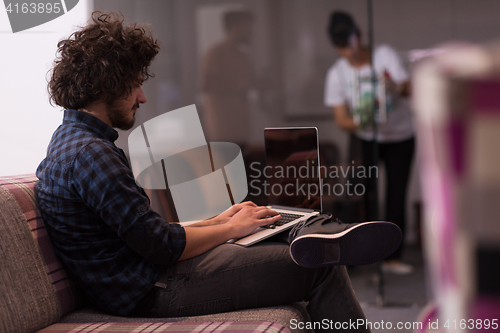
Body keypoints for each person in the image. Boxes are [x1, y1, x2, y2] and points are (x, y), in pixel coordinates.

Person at [35, 12, 401, 332]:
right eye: (135, 85)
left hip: (148, 278)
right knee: (318, 265)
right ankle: (320, 233)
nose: (142, 97)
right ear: (106, 86)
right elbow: (161, 246)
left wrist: (220, 220)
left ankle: (312, 229)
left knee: (266, 230)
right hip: (151, 290)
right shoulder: (90, 155)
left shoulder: (74, 142)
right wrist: (229, 228)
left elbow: (148, 232)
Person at [324, 11, 415, 275]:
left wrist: (394, 88)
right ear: (336, 47)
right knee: (360, 193)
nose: (349, 51)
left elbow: (408, 87)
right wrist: (364, 120)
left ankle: (392, 257)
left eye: (350, 43)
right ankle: (356, 255)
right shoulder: (337, 74)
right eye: (342, 47)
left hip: (400, 136)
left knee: (396, 195)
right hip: (366, 139)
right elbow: (342, 119)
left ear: (360, 37)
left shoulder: (383, 54)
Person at [201, 11, 255, 144]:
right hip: (223, 133)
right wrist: (236, 87)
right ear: (234, 27)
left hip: (241, 131)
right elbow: (207, 84)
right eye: (246, 27)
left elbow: (252, 81)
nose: (250, 31)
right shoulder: (216, 53)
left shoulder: (242, 56)